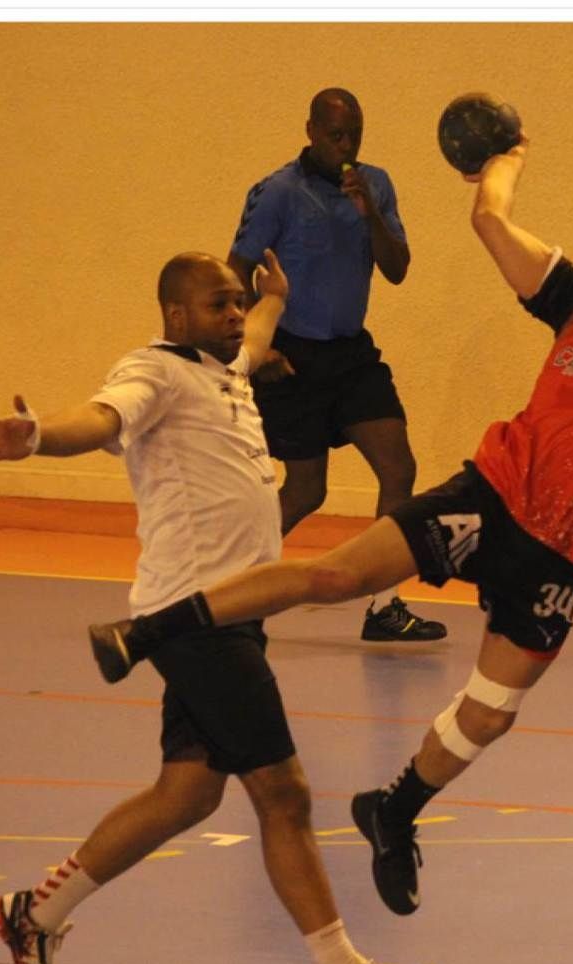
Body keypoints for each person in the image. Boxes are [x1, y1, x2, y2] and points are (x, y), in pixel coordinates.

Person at [87, 132, 573, 921]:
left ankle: (395, 808)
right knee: (336, 575)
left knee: (491, 712)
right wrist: (506, 158)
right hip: (492, 496)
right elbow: (490, 222)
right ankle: (148, 631)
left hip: (560, 556)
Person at [0, 249, 436, 964]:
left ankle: (34, 916)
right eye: (219, 304)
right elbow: (102, 418)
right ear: (176, 315)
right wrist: (39, 435)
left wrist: (273, 301)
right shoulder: (153, 373)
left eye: (236, 303)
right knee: (283, 793)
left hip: (235, 615)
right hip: (195, 621)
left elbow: (253, 340)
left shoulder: (228, 366)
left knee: (186, 793)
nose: (233, 314)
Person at [229, 86, 446, 644]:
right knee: (307, 491)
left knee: (398, 467)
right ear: (310, 131)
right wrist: (257, 347)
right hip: (291, 356)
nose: (346, 145)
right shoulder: (278, 191)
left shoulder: (376, 185)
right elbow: (235, 271)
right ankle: (230, 595)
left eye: (355, 135)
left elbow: (397, 268)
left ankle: (385, 607)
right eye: (335, 135)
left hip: (350, 354)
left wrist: (369, 213)